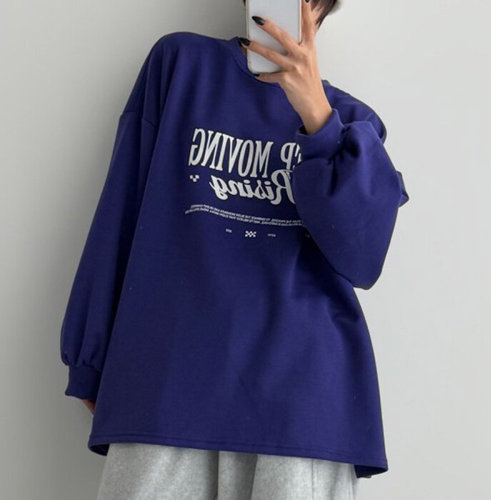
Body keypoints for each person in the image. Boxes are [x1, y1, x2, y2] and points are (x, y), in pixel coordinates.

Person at [60, 0, 409, 498]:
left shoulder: (354, 125)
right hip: (167, 383)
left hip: (301, 406)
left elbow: (363, 256)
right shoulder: (180, 66)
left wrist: (317, 117)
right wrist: (90, 357)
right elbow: (122, 203)